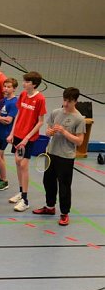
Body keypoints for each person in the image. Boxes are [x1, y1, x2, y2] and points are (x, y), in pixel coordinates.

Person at [32, 87, 85, 226]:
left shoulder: (79, 119)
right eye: (65, 100)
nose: (66, 104)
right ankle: (50, 207)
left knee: (64, 186)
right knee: (48, 182)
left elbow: (79, 141)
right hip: (51, 153)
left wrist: (64, 132)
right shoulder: (56, 112)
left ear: (75, 101)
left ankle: (64, 213)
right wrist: (49, 132)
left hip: (66, 157)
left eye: (69, 101)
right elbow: (48, 130)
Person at [8, 72, 47, 212]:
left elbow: (40, 122)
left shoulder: (40, 99)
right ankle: (20, 192)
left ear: (34, 84)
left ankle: (25, 200)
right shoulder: (23, 95)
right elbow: (18, 114)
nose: (23, 84)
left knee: (24, 164)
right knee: (18, 162)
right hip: (18, 134)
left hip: (29, 137)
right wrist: (12, 133)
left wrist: (26, 138)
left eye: (26, 82)